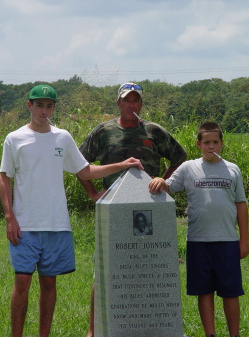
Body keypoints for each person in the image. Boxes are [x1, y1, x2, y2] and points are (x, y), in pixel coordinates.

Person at [0, 84, 143, 337]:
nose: (44, 110)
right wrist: (10, 217)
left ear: (54, 108)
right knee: (22, 281)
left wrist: (121, 164)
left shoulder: (62, 137)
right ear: (29, 106)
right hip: (25, 224)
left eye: (49, 106)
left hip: (56, 224)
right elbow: (5, 178)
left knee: (49, 283)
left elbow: (85, 171)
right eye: (39, 105)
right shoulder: (15, 138)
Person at [78, 82, 187, 337]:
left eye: (136, 101)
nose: (131, 105)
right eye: (127, 100)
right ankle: (94, 329)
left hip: (150, 207)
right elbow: (79, 162)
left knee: (150, 265)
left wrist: (164, 183)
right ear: (118, 103)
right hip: (113, 209)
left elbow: (179, 158)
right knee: (103, 269)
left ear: (141, 104)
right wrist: (93, 193)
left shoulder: (154, 131)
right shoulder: (103, 131)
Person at [149, 121, 249, 337]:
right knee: (204, 291)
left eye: (215, 142)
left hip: (227, 240)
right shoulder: (188, 168)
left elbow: (241, 205)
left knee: (231, 292)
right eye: (206, 142)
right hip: (198, 241)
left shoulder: (232, 169)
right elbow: (169, 186)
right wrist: (160, 179)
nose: (211, 146)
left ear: (222, 143)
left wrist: (244, 239)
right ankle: (210, 334)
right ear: (198, 144)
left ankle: (235, 334)